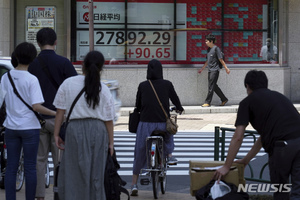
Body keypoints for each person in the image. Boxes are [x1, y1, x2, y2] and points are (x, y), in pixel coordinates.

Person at [214, 70, 300, 200]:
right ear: (265, 84)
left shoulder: (247, 103)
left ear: (247, 86)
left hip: (282, 148)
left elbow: (238, 137)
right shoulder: (279, 96)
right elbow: (264, 137)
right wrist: (246, 160)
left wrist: (227, 166)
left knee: (281, 190)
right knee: (297, 190)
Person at [53, 50, 115, 200]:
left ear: (83, 66)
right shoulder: (103, 89)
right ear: (101, 68)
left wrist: (56, 134)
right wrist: (111, 143)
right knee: (96, 174)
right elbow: (108, 119)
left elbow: (60, 112)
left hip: (74, 130)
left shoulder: (68, 84)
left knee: (73, 173)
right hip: (98, 131)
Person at [0, 42, 56, 200]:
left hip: (10, 128)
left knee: (11, 167)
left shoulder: (6, 77)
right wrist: (55, 113)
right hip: (30, 128)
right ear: (33, 58)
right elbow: (37, 106)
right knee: (30, 166)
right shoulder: (32, 79)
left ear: (16, 56)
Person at [27, 27, 77, 200]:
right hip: (59, 119)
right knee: (60, 161)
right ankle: (59, 194)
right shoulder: (64, 63)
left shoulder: (31, 65)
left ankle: (39, 196)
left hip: (37, 119)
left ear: (38, 43)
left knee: (39, 160)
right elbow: (75, 89)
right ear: (56, 42)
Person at [130, 59, 184, 196]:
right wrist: (179, 108)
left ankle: (134, 184)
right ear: (161, 70)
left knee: (140, 151)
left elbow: (137, 105)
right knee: (168, 134)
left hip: (145, 124)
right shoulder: (167, 84)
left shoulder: (143, 85)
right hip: (161, 123)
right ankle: (170, 155)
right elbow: (176, 99)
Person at [198, 34, 230, 107]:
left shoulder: (216, 49)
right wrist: (202, 69)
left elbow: (220, 59)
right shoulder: (209, 49)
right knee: (213, 86)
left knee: (211, 86)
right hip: (210, 70)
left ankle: (207, 102)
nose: (205, 42)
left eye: (206, 41)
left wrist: (226, 68)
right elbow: (207, 60)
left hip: (215, 70)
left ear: (211, 41)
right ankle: (224, 99)